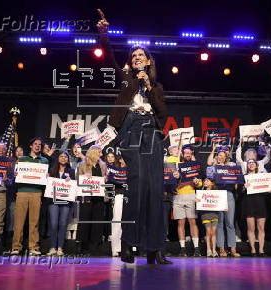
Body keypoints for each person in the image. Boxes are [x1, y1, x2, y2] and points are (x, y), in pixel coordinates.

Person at [97, 9, 170, 265]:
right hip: (131, 132)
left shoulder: (156, 87)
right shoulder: (126, 79)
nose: (137, 58)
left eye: (141, 55)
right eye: (134, 55)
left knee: (155, 190)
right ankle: (128, 245)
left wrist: (149, 88)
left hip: (152, 135)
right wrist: (104, 34)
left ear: (148, 61)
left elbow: (163, 112)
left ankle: (155, 250)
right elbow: (109, 57)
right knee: (137, 187)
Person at [11, 137, 48, 256]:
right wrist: (15, 173)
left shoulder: (44, 161)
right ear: (31, 146)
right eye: (35, 144)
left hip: (37, 193)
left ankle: (33, 247)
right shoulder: (22, 159)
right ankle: (16, 247)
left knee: (34, 221)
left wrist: (46, 176)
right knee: (19, 221)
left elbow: (45, 179)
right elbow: (14, 176)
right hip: (22, 192)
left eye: (39, 144)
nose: (37, 146)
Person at [76, 145, 107, 254]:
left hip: (99, 198)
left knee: (97, 222)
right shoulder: (82, 165)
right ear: (94, 152)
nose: (101, 154)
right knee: (85, 221)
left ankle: (95, 246)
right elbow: (78, 180)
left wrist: (105, 179)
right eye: (100, 152)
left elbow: (105, 179)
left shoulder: (103, 165)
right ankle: (83, 246)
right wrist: (85, 177)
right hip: (87, 197)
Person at [211, 149, 241, 257]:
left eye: (223, 155)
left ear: (226, 157)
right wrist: (216, 166)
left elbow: (237, 178)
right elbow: (210, 179)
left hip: (228, 194)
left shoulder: (231, 166)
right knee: (220, 223)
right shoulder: (214, 167)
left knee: (230, 223)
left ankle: (233, 248)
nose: (220, 157)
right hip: (218, 194)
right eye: (219, 155)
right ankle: (222, 249)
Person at [173, 145, 202, 257]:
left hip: (191, 195)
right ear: (183, 154)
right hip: (178, 196)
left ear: (192, 154)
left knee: (192, 222)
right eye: (186, 153)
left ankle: (196, 248)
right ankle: (183, 249)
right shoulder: (176, 166)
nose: (188, 155)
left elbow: (200, 183)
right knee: (180, 223)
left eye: (189, 153)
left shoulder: (195, 166)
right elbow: (170, 181)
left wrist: (197, 182)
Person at [46, 150, 75, 256]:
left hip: (65, 202)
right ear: (58, 158)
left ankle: (60, 248)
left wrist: (70, 181)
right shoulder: (52, 170)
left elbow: (74, 186)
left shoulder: (71, 171)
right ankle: (52, 247)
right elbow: (48, 184)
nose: (63, 158)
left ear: (68, 159)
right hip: (53, 201)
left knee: (63, 224)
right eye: (61, 156)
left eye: (66, 157)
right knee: (53, 224)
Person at [242, 160, 268, 256]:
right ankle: (253, 250)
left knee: (261, 228)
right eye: (249, 163)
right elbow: (239, 191)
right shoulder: (244, 176)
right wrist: (244, 187)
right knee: (251, 228)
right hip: (249, 203)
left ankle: (261, 250)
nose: (251, 164)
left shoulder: (261, 176)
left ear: (256, 165)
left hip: (260, 202)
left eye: (253, 163)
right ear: (247, 165)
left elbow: (267, 189)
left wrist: (269, 189)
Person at [199, 178, 220, 257]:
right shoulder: (201, 192)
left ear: (212, 183)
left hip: (214, 213)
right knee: (208, 231)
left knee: (213, 232)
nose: (205, 182)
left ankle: (214, 250)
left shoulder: (216, 193)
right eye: (204, 181)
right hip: (205, 214)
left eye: (207, 181)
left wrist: (224, 206)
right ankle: (208, 249)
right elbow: (199, 202)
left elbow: (221, 201)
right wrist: (197, 201)